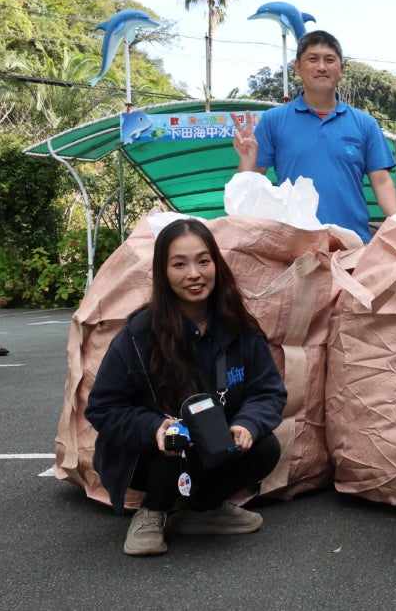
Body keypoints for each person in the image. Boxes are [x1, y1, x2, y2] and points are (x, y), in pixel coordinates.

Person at [85, 218, 288, 556]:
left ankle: (203, 510)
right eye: (179, 264)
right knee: (176, 444)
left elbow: (269, 391)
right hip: (152, 457)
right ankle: (153, 511)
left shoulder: (240, 326)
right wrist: (155, 428)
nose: (194, 273)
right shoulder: (138, 334)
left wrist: (247, 424)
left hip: (215, 447)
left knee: (266, 449)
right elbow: (102, 408)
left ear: (216, 265)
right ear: (163, 273)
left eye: (203, 261)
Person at [232, 30, 396, 241]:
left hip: (352, 243)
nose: (322, 67)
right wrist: (247, 160)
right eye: (313, 59)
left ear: (341, 69)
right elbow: (252, 182)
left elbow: (382, 182)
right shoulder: (274, 120)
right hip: (293, 244)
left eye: (329, 60)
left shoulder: (364, 123)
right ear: (297, 67)